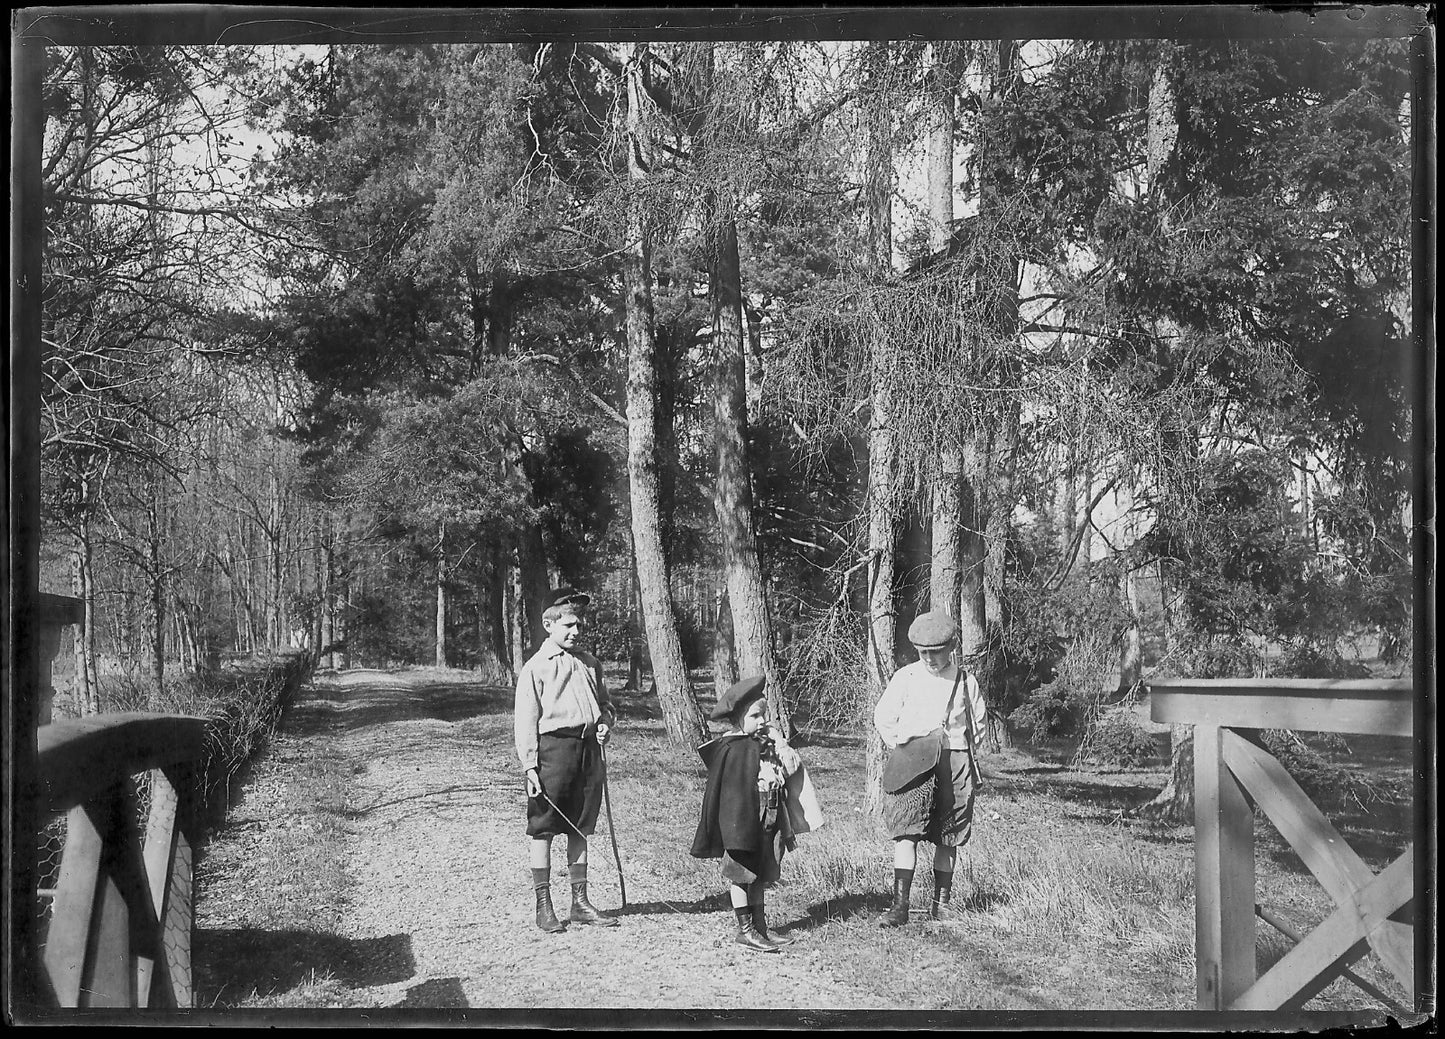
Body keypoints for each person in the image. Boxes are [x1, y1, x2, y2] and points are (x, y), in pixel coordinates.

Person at [873, 610, 988, 927]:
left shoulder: (966, 681)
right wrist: (904, 745)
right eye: (923, 653)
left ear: (950, 648)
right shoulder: (906, 677)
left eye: (936, 653)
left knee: (948, 835)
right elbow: (884, 717)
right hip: (913, 761)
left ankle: (942, 904)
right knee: (905, 833)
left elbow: (978, 727)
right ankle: (900, 906)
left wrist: (958, 750)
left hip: (953, 762)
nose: (930, 660)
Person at [514, 587, 619, 933]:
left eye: (578, 625)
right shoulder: (536, 668)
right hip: (552, 753)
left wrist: (604, 723)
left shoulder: (591, 664)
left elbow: (606, 706)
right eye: (569, 626)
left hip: (588, 752)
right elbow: (525, 721)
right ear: (548, 625)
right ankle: (544, 907)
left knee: (581, 825)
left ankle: (580, 902)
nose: (576, 632)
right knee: (543, 829)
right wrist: (530, 767)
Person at [690, 676, 807, 953]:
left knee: (760, 874)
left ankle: (760, 927)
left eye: (765, 715)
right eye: (755, 715)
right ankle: (745, 930)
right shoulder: (733, 749)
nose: (762, 720)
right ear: (738, 719)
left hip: (766, 818)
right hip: (742, 823)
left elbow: (788, 769)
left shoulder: (763, 744)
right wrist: (734, 830)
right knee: (742, 874)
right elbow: (730, 796)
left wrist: (779, 743)